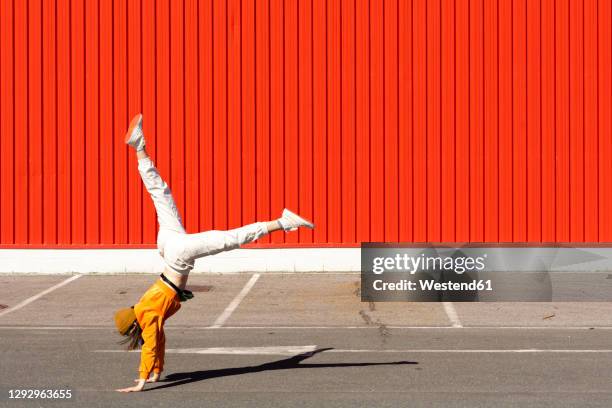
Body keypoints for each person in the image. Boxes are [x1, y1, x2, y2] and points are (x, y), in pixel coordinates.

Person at [114, 114, 314, 392]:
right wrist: (157, 372)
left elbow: (150, 347)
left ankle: (281, 222)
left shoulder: (147, 316)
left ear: (134, 326)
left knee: (229, 239)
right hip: (168, 244)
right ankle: (139, 148)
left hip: (178, 256)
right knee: (160, 193)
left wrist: (141, 381)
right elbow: (158, 341)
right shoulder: (145, 311)